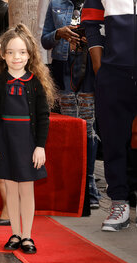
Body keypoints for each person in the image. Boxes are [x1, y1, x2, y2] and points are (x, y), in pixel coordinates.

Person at [0, 24, 56, 254]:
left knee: (27, 190)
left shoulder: (35, 84)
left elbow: (43, 117)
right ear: (3, 55)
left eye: (22, 52)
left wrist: (40, 146)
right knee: (11, 190)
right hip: (5, 142)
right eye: (11, 52)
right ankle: (14, 233)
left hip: (27, 144)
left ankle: (27, 236)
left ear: (30, 54)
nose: (17, 57)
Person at [82, 0, 137, 231]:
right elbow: (92, 25)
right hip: (114, 73)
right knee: (113, 139)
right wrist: (100, 69)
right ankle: (119, 203)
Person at [41, 0, 100, 214]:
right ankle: (72, 182)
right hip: (63, 69)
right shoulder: (56, 3)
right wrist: (59, 34)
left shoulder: (96, 3)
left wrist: (92, 38)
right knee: (70, 126)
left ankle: (89, 181)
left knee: (88, 127)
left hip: (89, 71)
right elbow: (45, 40)